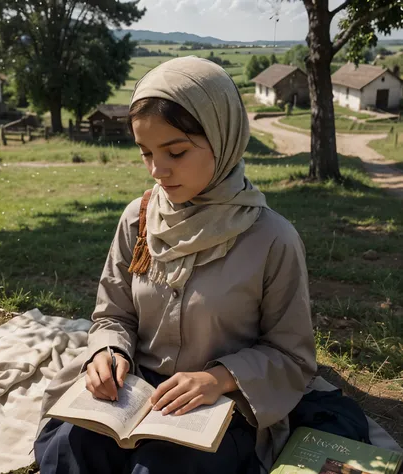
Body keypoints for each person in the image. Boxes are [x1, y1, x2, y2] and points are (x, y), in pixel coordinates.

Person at [34, 56, 317, 474]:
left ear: (223, 138)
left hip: (218, 406)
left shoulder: (272, 239)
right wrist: (108, 353)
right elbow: (113, 313)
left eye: (176, 151)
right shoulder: (138, 217)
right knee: (69, 451)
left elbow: (292, 356)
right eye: (145, 152)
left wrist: (219, 378)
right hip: (132, 394)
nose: (157, 170)